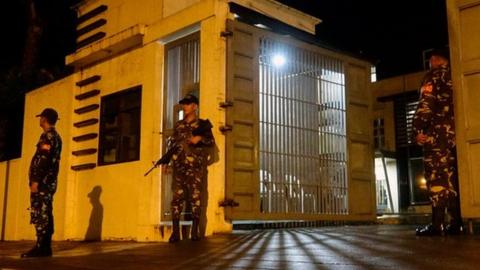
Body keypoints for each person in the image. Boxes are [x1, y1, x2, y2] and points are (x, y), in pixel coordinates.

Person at [413, 48, 463, 236]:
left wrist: (418, 130)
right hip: (454, 137)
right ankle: (457, 222)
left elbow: (426, 105)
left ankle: (437, 224)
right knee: (452, 180)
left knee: (436, 179)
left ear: (434, 59)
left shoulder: (432, 78)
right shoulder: (456, 77)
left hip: (436, 137)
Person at [164, 93, 214, 243]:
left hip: (195, 169)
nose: (185, 106)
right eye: (184, 104)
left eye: (188, 103)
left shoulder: (202, 125)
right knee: (177, 200)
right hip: (179, 168)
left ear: (195, 106)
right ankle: (175, 233)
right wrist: (167, 162)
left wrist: (200, 138)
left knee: (195, 199)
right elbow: (172, 145)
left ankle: (194, 231)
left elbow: (211, 142)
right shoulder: (179, 125)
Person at [21, 108, 62, 257]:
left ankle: (41, 247)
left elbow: (43, 160)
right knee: (46, 212)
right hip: (49, 182)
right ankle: (45, 247)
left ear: (44, 119)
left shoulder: (47, 137)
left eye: (41, 118)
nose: (40, 120)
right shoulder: (56, 137)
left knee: (41, 212)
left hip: (43, 183)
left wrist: (35, 181)